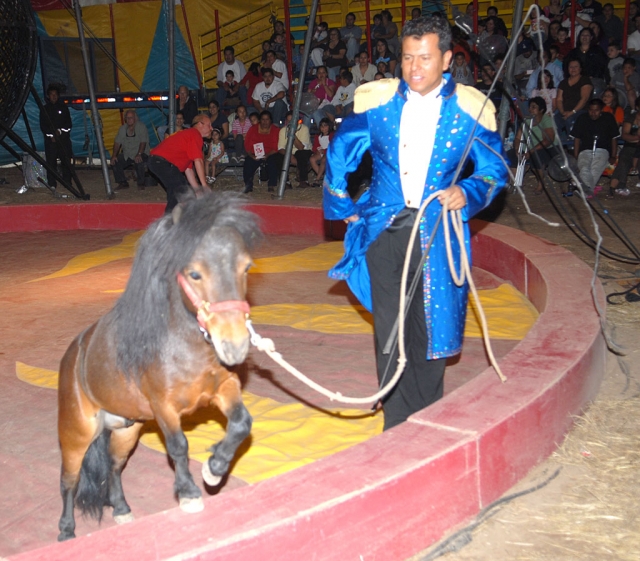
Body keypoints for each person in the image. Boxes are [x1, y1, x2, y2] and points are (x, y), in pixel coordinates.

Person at [323, 16, 507, 430]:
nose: (414, 67)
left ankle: (427, 414)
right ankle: (396, 420)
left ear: (446, 59)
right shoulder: (379, 104)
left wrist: (469, 192)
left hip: (437, 232)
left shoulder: (469, 110)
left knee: (429, 324)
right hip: (384, 230)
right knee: (390, 329)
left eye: (424, 58)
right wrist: (343, 205)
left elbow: (495, 172)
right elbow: (340, 152)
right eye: (407, 58)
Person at [148, 113, 213, 213]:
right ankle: (169, 222)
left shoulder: (188, 135)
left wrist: (197, 189)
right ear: (200, 124)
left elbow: (188, 169)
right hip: (162, 162)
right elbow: (198, 160)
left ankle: (175, 220)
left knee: (181, 191)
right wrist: (204, 184)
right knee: (179, 190)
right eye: (209, 125)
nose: (211, 128)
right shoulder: (194, 134)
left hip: (157, 162)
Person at [512, 97, 561, 194]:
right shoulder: (527, 120)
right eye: (530, 107)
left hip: (545, 148)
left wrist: (531, 151)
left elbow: (548, 140)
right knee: (510, 156)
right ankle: (517, 183)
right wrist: (517, 149)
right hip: (528, 148)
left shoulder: (546, 120)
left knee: (537, 157)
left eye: (534, 107)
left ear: (541, 110)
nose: (530, 109)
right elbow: (518, 138)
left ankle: (540, 184)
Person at [571, 98, 619, 196]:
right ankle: (588, 191)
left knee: (595, 169)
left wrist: (613, 155)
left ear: (601, 110)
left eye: (596, 110)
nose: (593, 113)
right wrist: (575, 156)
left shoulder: (608, 118)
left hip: (603, 150)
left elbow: (614, 138)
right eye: (591, 110)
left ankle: (585, 191)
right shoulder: (582, 118)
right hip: (585, 150)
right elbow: (577, 138)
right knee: (584, 168)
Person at [39, 83, 73, 190]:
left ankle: (67, 182)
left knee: (66, 162)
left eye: (55, 94)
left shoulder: (63, 108)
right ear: (48, 96)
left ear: (58, 96)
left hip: (63, 141)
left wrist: (59, 132)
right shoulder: (45, 109)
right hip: (51, 142)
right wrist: (51, 136)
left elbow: (68, 125)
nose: (53, 96)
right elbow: (43, 126)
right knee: (51, 162)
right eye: (51, 94)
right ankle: (52, 184)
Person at [110, 109, 150, 190]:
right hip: (127, 154)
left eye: (131, 118)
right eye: (127, 118)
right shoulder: (122, 129)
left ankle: (141, 183)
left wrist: (139, 154)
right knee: (115, 161)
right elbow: (117, 142)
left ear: (135, 118)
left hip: (140, 152)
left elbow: (143, 142)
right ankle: (122, 182)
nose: (129, 120)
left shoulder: (141, 127)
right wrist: (114, 155)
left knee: (139, 160)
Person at [555, 59, 593, 143]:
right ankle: (560, 144)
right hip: (564, 111)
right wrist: (562, 112)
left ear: (580, 69)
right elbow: (559, 99)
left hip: (580, 110)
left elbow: (584, 99)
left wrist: (572, 112)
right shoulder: (563, 83)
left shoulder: (585, 80)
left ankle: (573, 143)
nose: (573, 69)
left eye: (576, 67)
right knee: (555, 119)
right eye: (571, 67)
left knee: (570, 120)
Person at [608, 97, 640, 196]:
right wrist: (637, 138)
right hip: (630, 146)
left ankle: (615, 187)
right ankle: (618, 186)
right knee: (624, 161)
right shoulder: (631, 117)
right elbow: (625, 135)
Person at [242, 110, 280, 193]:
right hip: (255, 153)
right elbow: (247, 144)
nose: (265, 122)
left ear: (270, 121)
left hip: (270, 153)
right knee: (248, 162)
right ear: (260, 120)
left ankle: (271, 185)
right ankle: (248, 185)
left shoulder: (275, 130)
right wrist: (252, 156)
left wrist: (267, 155)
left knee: (273, 161)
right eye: (263, 119)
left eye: (267, 119)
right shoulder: (253, 129)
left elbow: (277, 146)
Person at [274, 111, 313, 188]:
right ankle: (285, 182)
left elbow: (301, 147)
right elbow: (281, 148)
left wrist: (292, 134)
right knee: (278, 157)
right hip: (289, 152)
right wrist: (289, 156)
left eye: (292, 120)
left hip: (303, 151)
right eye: (288, 121)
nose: (290, 123)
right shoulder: (283, 130)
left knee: (301, 154)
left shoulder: (304, 128)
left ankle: (303, 181)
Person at [310, 118, 333, 186]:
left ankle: (317, 179)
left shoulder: (332, 135)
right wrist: (317, 150)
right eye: (322, 126)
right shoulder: (318, 136)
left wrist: (325, 151)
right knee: (312, 159)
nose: (323, 128)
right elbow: (315, 146)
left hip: (329, 152)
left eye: (325, 126)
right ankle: (322, 176)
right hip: (321, 152)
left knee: (324, 160)